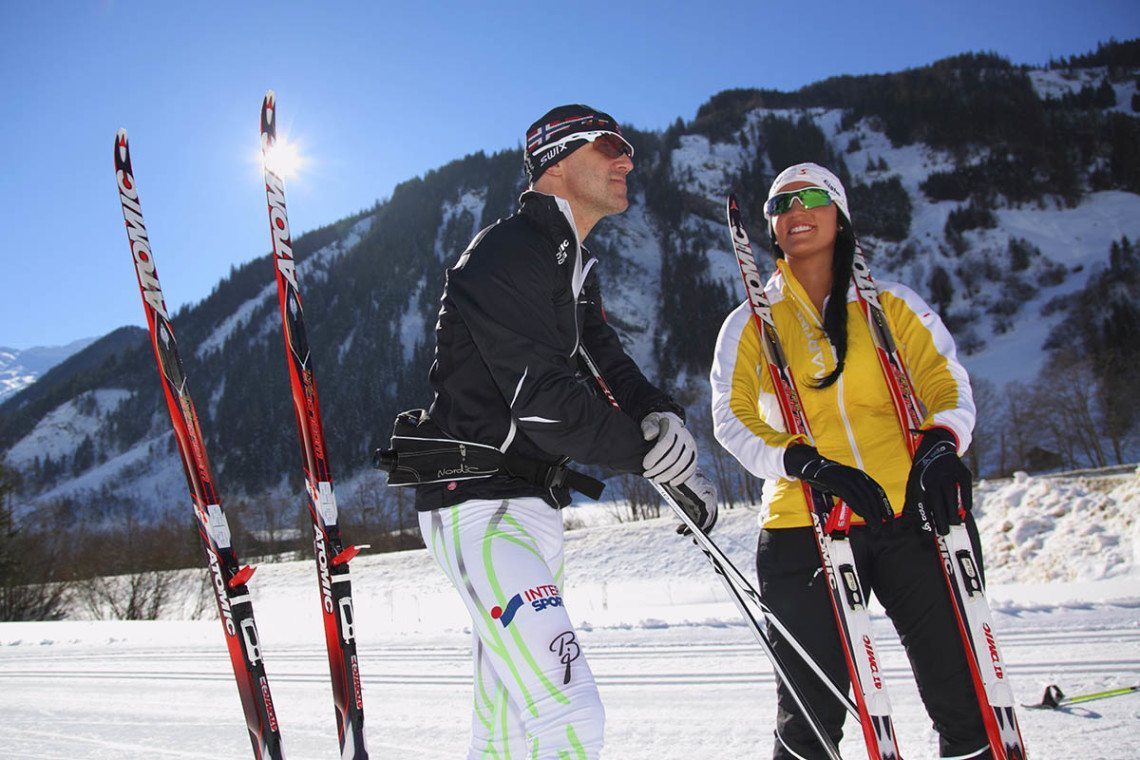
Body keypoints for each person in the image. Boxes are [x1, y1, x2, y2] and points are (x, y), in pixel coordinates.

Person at [409, 104, 716, 760]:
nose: (627, 159)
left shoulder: (570, 266)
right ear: (556, 160)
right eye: (612, 145)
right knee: (571, 719)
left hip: (533, 508)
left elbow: (609, 370)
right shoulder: (506, 253)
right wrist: (644, 456)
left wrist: (664, 423)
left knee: (505, 734)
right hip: (478, 507)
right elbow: (542, 399)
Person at [710, 163, 991, 759]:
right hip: (803, 525)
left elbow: (947, 382)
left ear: (841, 215)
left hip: (910, 516)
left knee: (965, 698)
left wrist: (942, 443)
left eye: (812, 197)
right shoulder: (752, 324)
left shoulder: (891, 307)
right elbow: (731, 418)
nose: (794, 211)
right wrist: (804, 463)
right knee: (811, 718)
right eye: (780, 204)